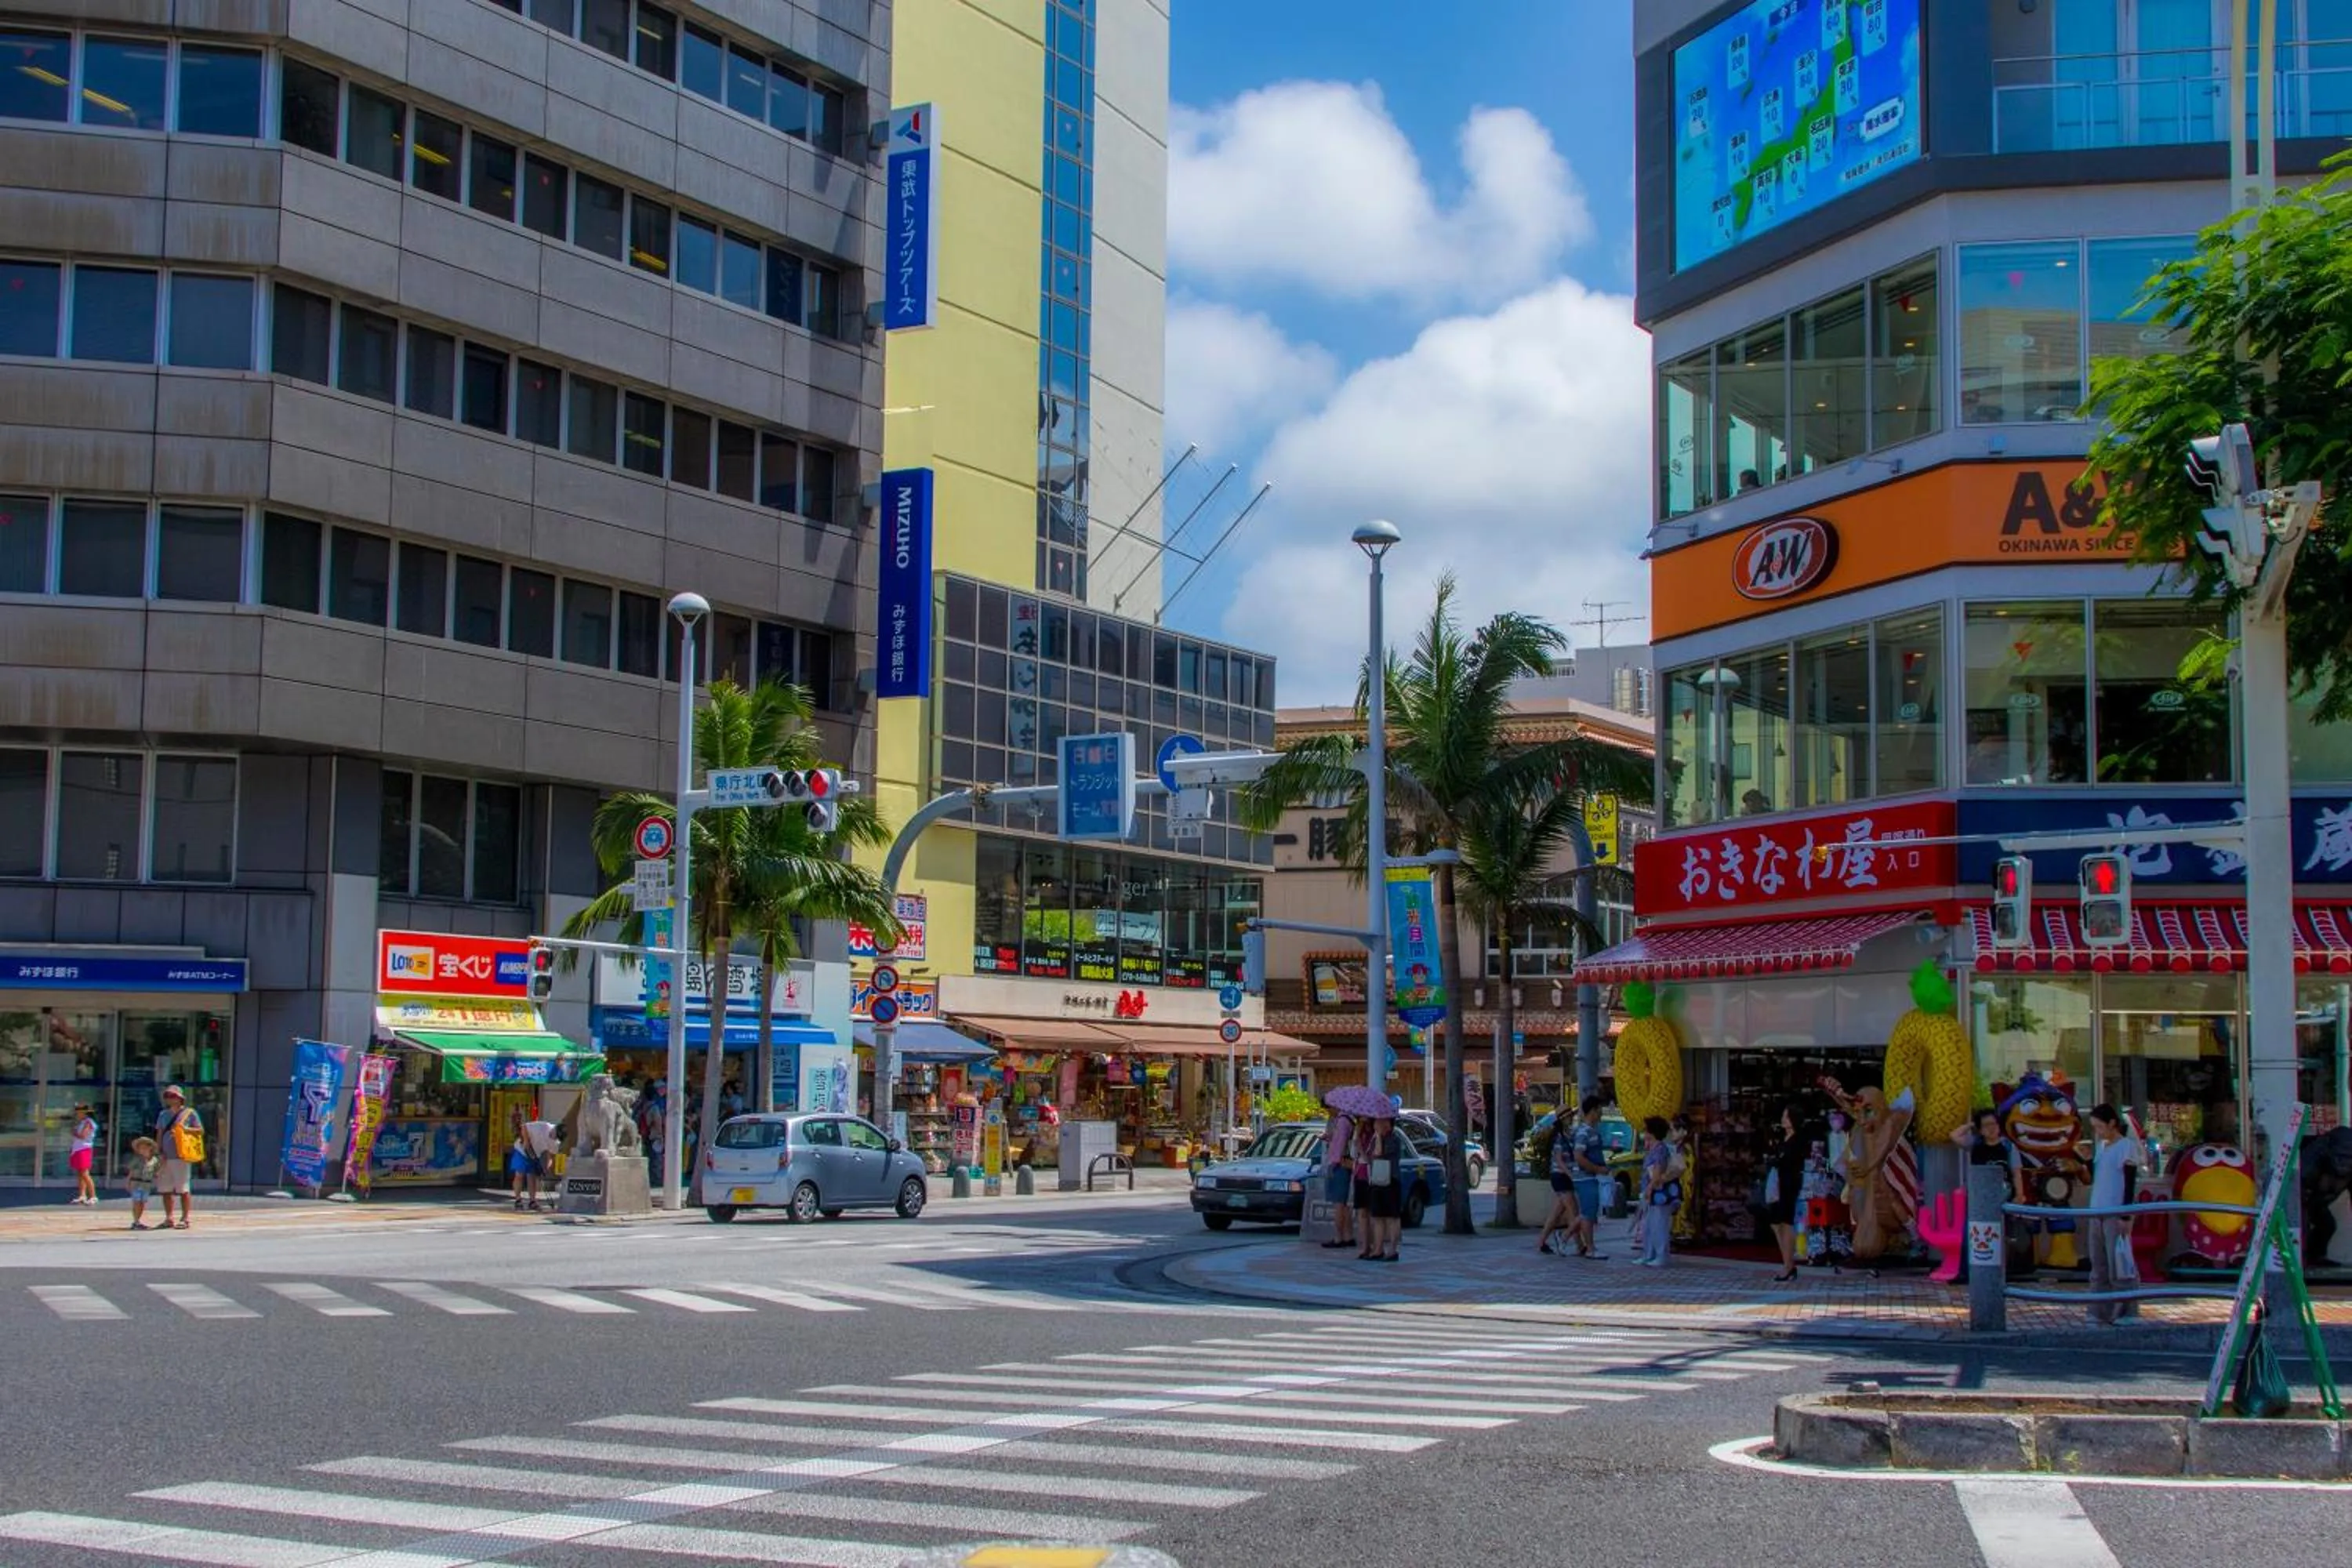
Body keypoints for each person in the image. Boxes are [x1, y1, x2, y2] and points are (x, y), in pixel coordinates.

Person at [2085, 1103, 2140, 1326]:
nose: (2098, 1131)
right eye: (2095, 1127)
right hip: (2096, 1210)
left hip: (2115, 1211)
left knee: (2119, 1263)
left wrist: (2126, 1216)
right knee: (2098, 1265)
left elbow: (2129, 1182)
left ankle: (2126, 1311)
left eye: (2100, 1126)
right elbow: (2098, 1175)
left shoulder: (2126, 1147)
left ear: (2112, 1124)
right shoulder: (2102, 1146)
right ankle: (2099, 1311)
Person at [1763, 1104, 1809, 1283]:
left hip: (1790, 1185)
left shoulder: (1798, 1140)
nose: (1783, 1120)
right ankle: (1787, 1262)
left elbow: (1793, 1162)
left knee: (1786, 1222)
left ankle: (1788, 1265)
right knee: (1776, 1223)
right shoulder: (1783, 1138)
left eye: (1786, 1117)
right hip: (1778, 1184)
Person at [1568, 1097, 1611, 1259]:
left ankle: (1566, 1238)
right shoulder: (1584, 1132)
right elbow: (1579, 1156)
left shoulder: (1592, 1131)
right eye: (1599, 1109)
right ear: (1593, 1111)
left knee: (1589, 1213)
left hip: (1590, 1177)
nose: (1601, 1113)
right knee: (1588, 1214)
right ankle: (1590, 1248)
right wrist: (1598, 1169)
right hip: (1584, 1178)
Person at [1359, 1112, 1405, 1262]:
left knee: (1392, 1217)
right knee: (1377, 1216)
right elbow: (1369, 1157)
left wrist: (1378, 1136)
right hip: (1377, 1180)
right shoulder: (1374, 1139)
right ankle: (1378, 1249)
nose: (1376, 1125)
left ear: (1388, 1123)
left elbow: (1379, 1153)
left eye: (1379, 1123)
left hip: (1391, 1180)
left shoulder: (1394, 1139)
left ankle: (1393, 1250)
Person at [153, 1086, 201, 1230]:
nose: (169, 1099)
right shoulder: (163, 1115)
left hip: (182, 1155)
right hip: (166, 1156)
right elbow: (160, 1133)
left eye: (172, 1096)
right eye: (167, 1096)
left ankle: (185, 1218)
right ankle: (169, 1217)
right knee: (165, 1188)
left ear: (180, 1098)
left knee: (183, 1188)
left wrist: (186, 1129)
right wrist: (158, 1151)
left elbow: (200, 1130)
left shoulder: (189, 1113)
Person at [1536, 1113, 1582, 1257]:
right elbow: (1559, 1159)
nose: (1571, 1119)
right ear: (1562, 1120)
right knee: (1573, 1212)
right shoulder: (1559, 1138)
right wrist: (1570, 1174)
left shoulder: (1569, 1135)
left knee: (1557, 1213)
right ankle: (1579, 1245)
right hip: (1560, 1176)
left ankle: (1541, 1242)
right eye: (1569, 1117)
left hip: (1564, 1176)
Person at [1638, 1116, 1679, 1268]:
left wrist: (1649, 1189)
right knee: (1649, 1225)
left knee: (1659, 1225)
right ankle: (1649, 1255)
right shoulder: (1654, 1148)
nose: (1644, 1133)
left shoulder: (1660, 1149)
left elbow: (1657, 1173)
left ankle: (1661, 1256)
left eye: (1646, 1130)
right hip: (1654, 1193)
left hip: (1659, 1193)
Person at [1317, 1099, 1356, 1251]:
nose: (1329, 1112)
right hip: (1343, 1163)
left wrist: (1333, 1163)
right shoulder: (1347, 1120)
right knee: (1343, 1204)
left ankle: (1340, 1237)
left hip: (1339, 1164)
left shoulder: (1342, 1121)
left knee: (1339, 1203)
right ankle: (1348, 1236)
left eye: (1329, 1109)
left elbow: (1339, 1146)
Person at [122, 1136, 161, 1230]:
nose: (142, 1150)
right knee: (136, 1202)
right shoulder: (137, 1159)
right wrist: (128, 1182)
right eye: (140, 1148)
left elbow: (156, 1172)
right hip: (136, 1183)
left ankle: (138, 1220)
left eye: (144, 1148)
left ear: (150, 1148)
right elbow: (131, 1171)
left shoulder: (154, 1160)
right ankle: (136, 1221)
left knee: (143, 1202)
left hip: (147, 1185)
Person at [68, 1104, 98, 1205]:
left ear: (84, 1112)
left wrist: (73, 1132)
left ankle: (93, 1196)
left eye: (79, 1112)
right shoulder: (82, 1122)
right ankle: (82, 1195)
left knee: (85, 1173)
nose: (77, 1114)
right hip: (77, 1149)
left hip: (84, 1149)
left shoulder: (89, 1122)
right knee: (80, 1173)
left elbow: (83, 1136)